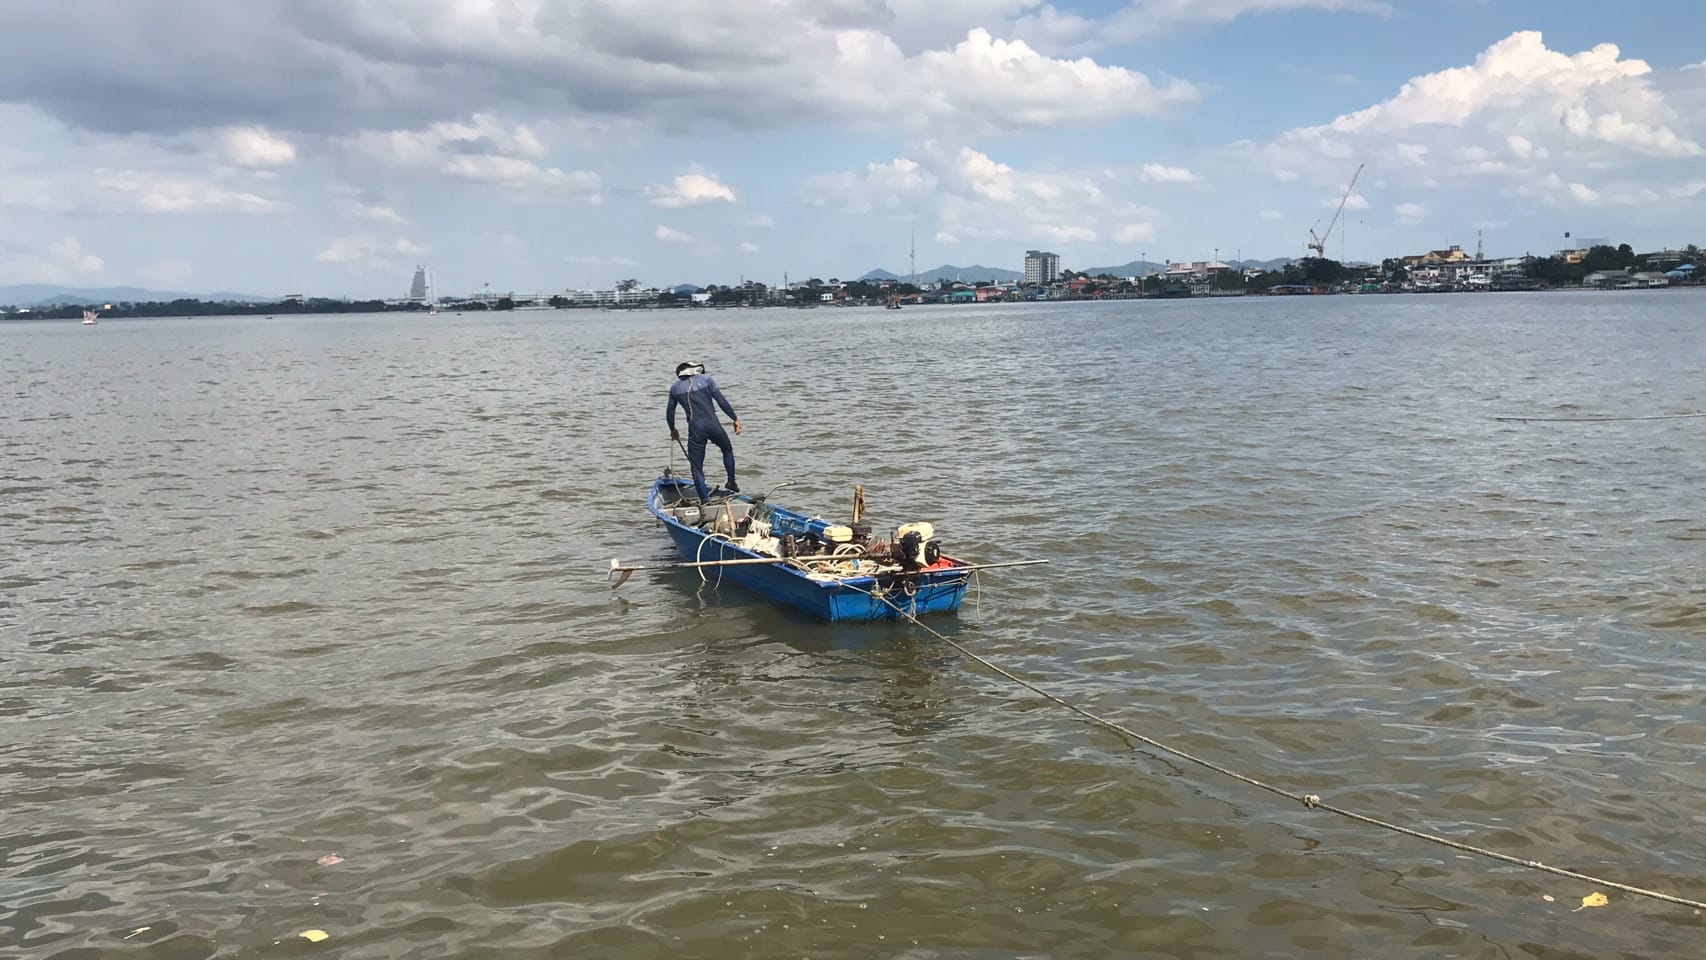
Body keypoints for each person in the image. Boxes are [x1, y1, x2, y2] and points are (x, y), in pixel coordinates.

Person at [666, 361, 743, 502]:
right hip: (714, 424)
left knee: (696, 467)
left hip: (696, 429)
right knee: (727, 450)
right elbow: (721, 401)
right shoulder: (707, 379)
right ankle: (731, 481)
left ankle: (705, 501)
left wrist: (673, 430)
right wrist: (735, 419)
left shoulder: (675, 388)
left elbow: (670, 413)